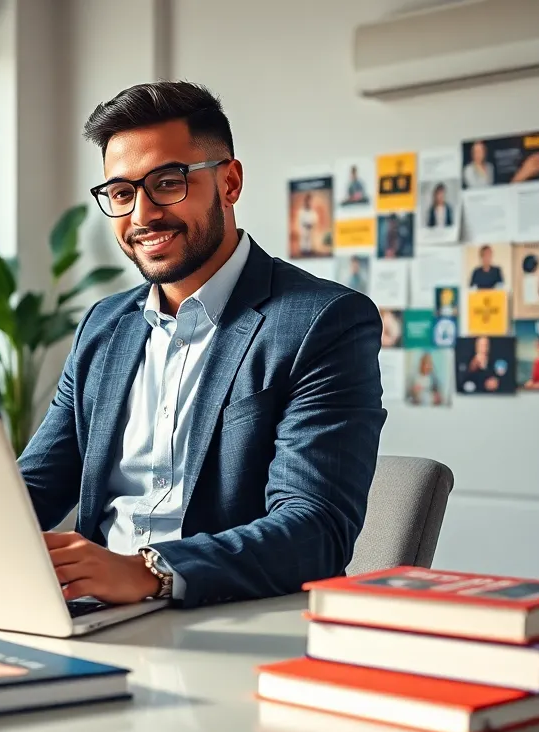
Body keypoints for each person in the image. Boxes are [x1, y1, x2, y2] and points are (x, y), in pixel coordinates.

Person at [19, 81, 385, 608]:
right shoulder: (103, 326)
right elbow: (33, 487)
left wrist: (150, 573)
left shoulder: (323, 322)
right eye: (122, 193)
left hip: (226, 618)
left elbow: (316, 529)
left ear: (230, 182)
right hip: (92, 617)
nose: (142, 215)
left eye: (168, 183)